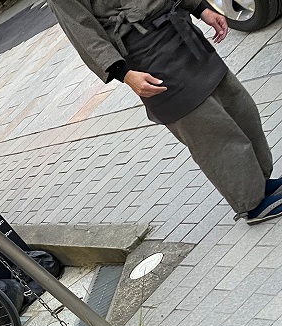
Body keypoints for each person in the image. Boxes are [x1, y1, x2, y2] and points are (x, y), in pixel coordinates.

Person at [48, 0, 282, 223]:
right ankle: (251, 203)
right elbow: (81, 29)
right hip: (146, 56)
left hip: (180, 32)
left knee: (240, 108)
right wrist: (124, 74)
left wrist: (200, 8)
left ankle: (259, 182)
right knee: (212, 134)